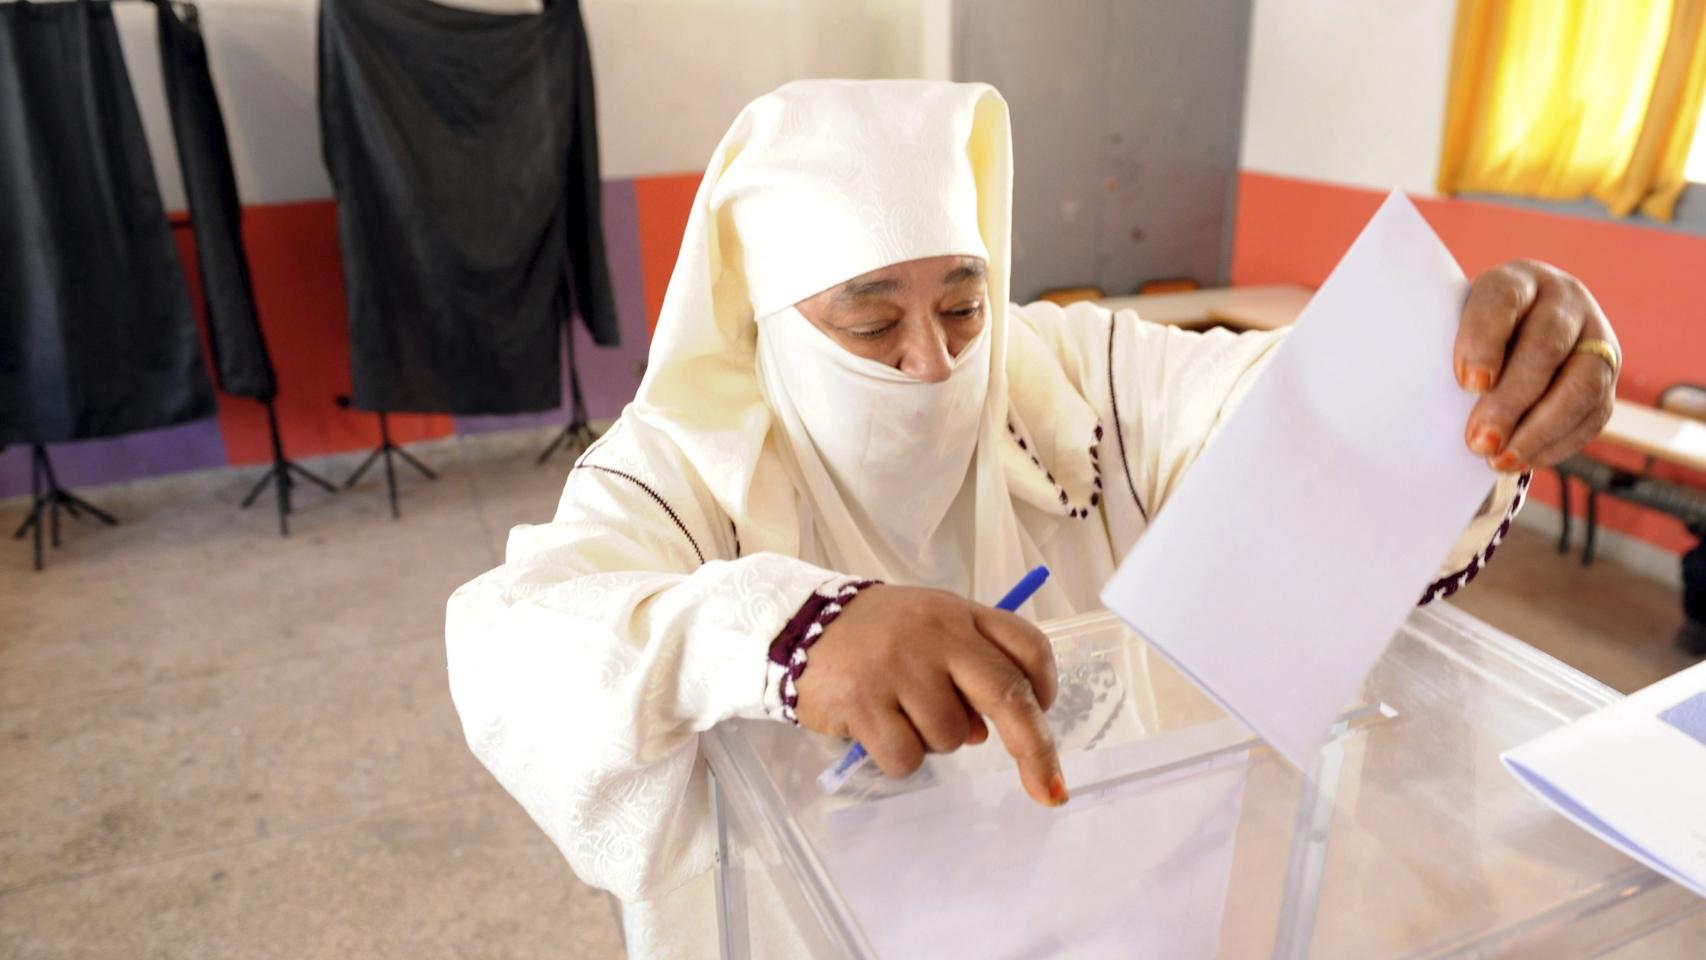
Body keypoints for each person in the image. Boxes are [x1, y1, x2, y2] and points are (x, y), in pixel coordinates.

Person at [445, 80, 1619, 956]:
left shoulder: (1063, 378)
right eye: (867, 327)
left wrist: (1455, 369)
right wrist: (789, 631)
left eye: (962, 303)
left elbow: (1257, 404)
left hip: (1109, 907)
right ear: (765, 317)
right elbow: (513, 639)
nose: (927, 360)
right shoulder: (687, 458)